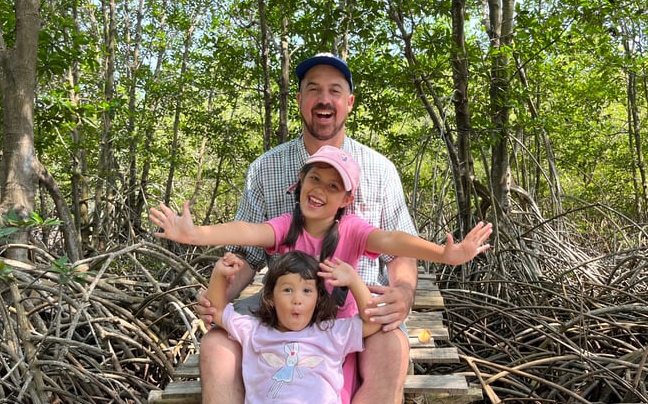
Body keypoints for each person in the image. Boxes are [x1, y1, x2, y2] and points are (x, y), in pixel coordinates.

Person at [185, 53, 431, 404]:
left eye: (334, 90)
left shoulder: (380, 169)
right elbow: (247, 253)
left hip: (357, 306)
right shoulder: (265, 168)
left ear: (349, 103)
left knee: (391, 347)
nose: (324, 99)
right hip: (286, 300)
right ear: (299, 100)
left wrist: (404, 294)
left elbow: (398, 251)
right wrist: (218, 294)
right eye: (313, 89)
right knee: (216, 344)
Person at [149, 145, 492, 322]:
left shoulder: (354, 230)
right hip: (287, 322)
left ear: (346, 200)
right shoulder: (286, 225)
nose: (319, 191)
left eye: (333, 186)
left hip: (337, 332)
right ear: (299, 183)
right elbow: (247, 231)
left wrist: (443, 253)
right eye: (314, 179)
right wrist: (196, 234)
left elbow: (393, 241)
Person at [205, 250, 382, 404]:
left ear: (318, 299)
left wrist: (353, 281)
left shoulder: (330, 333)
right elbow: (216, 310)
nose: (297, 299)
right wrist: (219, 273)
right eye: (288, 290)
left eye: (307, 291)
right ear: (271, 297)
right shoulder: (254, 330)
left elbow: (371, 322)